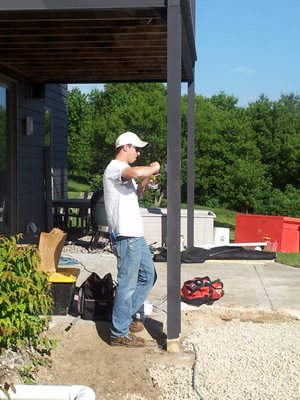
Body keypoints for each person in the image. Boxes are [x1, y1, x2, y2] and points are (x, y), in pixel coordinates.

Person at [103, 131, 160, 348]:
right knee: (127, 285)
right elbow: (135, 171)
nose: (138, 152)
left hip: (136, 236)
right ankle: (118, 332)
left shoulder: (124, 174)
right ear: (125, 147)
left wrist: (148, 176)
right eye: (136, 148)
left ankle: (125, 319)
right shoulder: (115, 168)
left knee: (148, 276)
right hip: (126, 237)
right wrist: (152, 168)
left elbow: (139, 193)